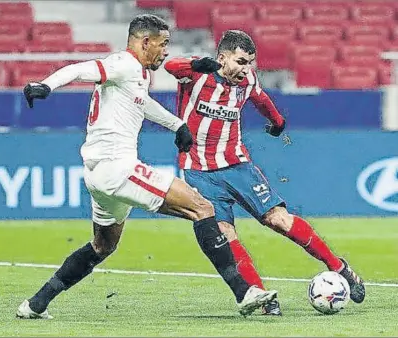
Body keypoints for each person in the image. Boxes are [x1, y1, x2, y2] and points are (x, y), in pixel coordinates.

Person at [16, 16, 277, 320]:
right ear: (144, 42)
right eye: (163, 44)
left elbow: (143, 103)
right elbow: (80, 69)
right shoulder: (123, 63)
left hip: (98, 175)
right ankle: (244, 292)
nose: (166, 52)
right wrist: (46, 85)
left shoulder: (137, 75)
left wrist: (176, 124)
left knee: (102, 246)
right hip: (119, 168)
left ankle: (35, 304)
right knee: (202, 208)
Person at [164, 30, 365, 316]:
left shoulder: (246, 81)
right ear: (222, 57)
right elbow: (171, 66)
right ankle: (261, 297)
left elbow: (260, 99)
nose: (246, 69)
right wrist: (200, 65)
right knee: (226, 234)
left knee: (279, 220)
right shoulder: (197, 73)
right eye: (241, 61)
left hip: (238, 165)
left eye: (250, 63)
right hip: (199, 172)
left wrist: (278, 121)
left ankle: (339, 267)